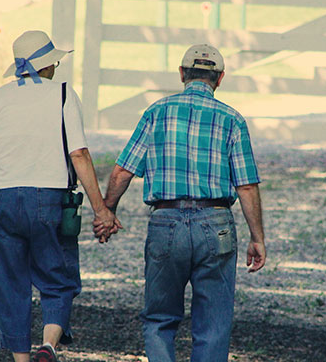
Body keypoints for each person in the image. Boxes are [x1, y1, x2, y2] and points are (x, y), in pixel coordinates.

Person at [0, 30, 118, 362]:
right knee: (57, 276)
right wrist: (101, 209)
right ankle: (49, 345)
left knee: (9, 284)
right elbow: (80, 155)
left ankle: (22, 359)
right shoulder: (63, 95)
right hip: (47, 198)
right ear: (49, 65)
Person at [95, 44, 266, 362]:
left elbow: (122, 171)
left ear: (182, 74)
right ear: (220, 78)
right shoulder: (232, 119)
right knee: (213, 324)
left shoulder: (156, 112)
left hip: (166, 221)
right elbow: (246, 185)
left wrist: (107, 211)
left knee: (159, 318)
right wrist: (257, 238)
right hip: (216, 223)